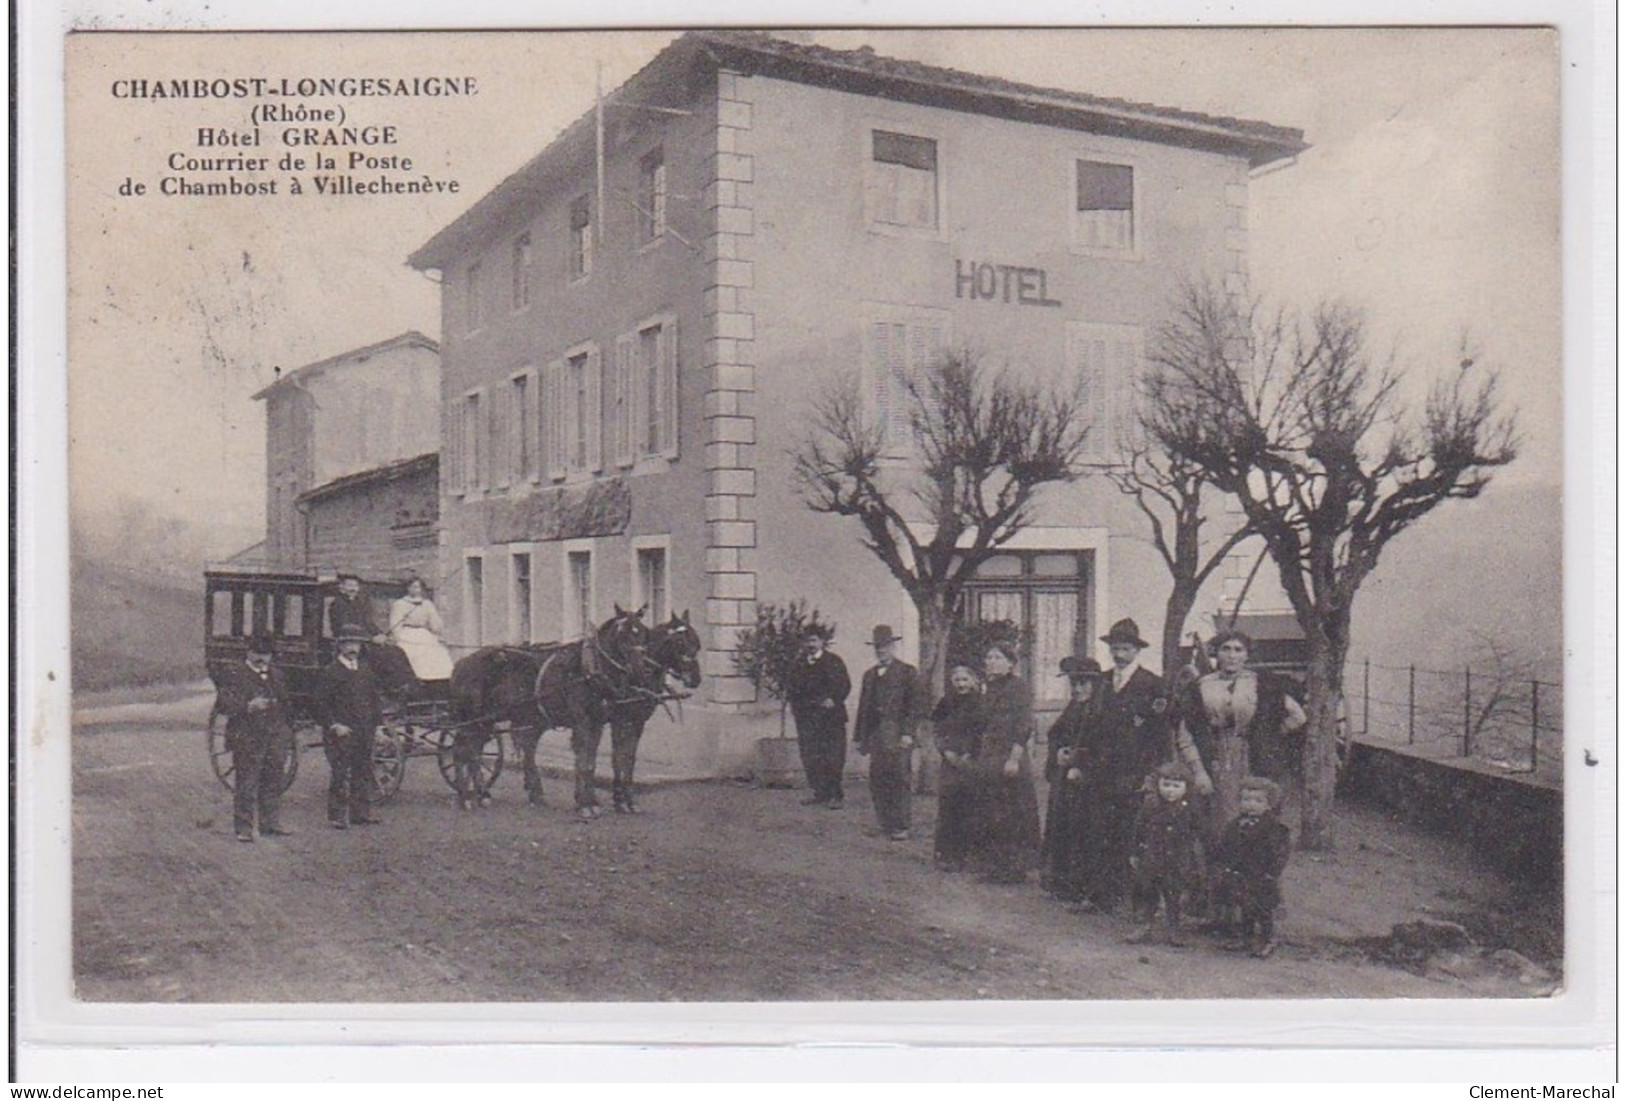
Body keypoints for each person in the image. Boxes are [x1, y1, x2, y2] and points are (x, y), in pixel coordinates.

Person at [1173, 629, 1308, 850]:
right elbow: (1186, 733)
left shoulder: (1262, 684)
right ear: (1216, 653)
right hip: (1215, 758)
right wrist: (1199, 771)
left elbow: (1299, 716)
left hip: (1253, 756)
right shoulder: (1200, 686)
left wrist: (1269, 735)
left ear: (1247, 655)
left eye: (1238, 650)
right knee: (1220, 818)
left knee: (1254, 813)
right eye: (1226, 649)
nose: (1232, 655)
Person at [1093, 618, 1173, 912]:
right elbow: (1092, 726)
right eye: (1115, 648)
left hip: (1135, 769)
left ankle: (1133, 896)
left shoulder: (1151, 684)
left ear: (1136, 651)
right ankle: (1105, 894)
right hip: (1103, 768)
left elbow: (1160, 732)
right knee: (1103, 829)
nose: (1119, 654)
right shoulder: (1102, 681)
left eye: (1125, 648)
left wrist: (1153, 773)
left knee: (1133, 831)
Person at [213, 632, 294, 842]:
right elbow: (223, 704)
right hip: (247, 736)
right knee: (247, 782)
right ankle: (244, 828)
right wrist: (247, 706)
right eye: (257, 653)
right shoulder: (233, 673)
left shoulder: (277, 674)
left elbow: (287, 704)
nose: (261, 658)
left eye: (266, 654)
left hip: (275, 736)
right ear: (248, 653)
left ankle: (270, 823)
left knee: (273, 779)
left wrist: (286, 732)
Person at [971, 640, 1041, 884]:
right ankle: (994, 865)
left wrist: (1014, 757)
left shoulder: (1019, 687)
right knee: (991, 809)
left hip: (1010, 755)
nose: (991, 662)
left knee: (1012, 811)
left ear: (1011, 664)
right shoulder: (987, 688)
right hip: (989, 755)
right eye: (989, 657)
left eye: (998, 657)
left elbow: (1024, 724)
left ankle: (1014, 868)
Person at [1039, 655, 1106, 905]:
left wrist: (1079, 760)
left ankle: (1082, 885)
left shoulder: (1102, 710)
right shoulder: (1074, 707)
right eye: (1074, 684)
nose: (1077, 689)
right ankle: (1062, 881)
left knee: (1084, 830)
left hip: (1090, 783)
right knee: (1062, 826)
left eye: (1083, 684)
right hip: (1065, 780)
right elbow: (1056, 733)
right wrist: (1059, 752)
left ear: (1095, 684)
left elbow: (1105, 746)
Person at [851, 625, 927, 841]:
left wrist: (908, 733)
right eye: (877, 647)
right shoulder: (869, 675)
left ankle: (901, 826)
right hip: (876, 736)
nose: (881, 650)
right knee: (878, 779)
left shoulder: (907, 672)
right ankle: (885, 823)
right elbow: (863, 708)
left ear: (893, 646)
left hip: (898, 734)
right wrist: (859, 737)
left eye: (885, 646)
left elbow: (915, 706)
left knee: (899, 778)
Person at [1212, 775, 1293, 958]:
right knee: (1244, 906)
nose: (1251, 804)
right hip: (1241, 873)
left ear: (1269, 804)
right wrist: (1223, 862)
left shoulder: (1273, 827)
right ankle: (1245, 938)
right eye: (1246, 799)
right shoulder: (1235, 824)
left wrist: (1272, 872)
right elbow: (1226, 845)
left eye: (1258, 801)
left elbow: (1280, 852)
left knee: (1263, 909)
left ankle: (1268, 939)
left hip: (1262, 874)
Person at [1126, 760, 1203, 946]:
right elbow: (1139, 829)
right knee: (1148, 891)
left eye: (1176, 786)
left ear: (1186, 788)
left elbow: (1198, 832)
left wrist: (1194, 858)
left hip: (1178, 859)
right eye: (1166, 785)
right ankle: (1144, 926)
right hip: (1153, 856)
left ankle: (1174, 928)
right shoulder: (1150, 805)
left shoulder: (1190, 808)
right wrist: (1135, 853)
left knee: (1173, 894)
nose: (1170, 790)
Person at [316, 628, 385, 829]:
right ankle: (336, 815)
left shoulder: (365, 669)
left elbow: (374, 700)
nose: (353, 648)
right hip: (342, 731)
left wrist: (378, 727)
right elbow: (321, 703)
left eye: (356, 644)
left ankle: (360, 814)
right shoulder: (331, 671)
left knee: (362, 770)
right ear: (340, 645)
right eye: (348, 644)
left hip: (364, 730)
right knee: (340, 772)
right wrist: (333, 724)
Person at [783, 627, 852, 809]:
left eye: (814, 640)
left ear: (822, 642)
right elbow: (792, 688)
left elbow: (844, 684)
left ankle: (835, 795)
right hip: (808, 719)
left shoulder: (834, 661)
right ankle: (819, 792)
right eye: (807, 641)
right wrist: (797, 708)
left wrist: (834, 699)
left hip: (831, 719)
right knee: (811, 756)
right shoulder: (798, 664)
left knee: (833, 756)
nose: (810, 645)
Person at [930, 663, 984, 871]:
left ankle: (968, 855)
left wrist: (970, 754)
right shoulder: (947, 702)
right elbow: (937, 729)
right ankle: (946, 854)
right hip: (950, 760)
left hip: (971, 760)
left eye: (965, 680)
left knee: (970, 806)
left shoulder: (980, 703)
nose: (961, 684)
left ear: (973, 681)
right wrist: (945, 751)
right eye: (957, 680)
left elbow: (982, 731)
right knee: (948, 807)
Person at [388, 576, 455, 683]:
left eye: (418, 587)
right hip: (407, 633)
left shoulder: (427, 604)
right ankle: (418, 679)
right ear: (407, 588)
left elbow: (434, 623)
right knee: (412, 654)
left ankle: (439, 680)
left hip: (423, 633)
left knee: (436, 652)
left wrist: (437, 630)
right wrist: (398, 638)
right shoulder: (400, 604)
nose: (416, 590)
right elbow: (395, 624)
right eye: (413, 587)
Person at [328, 573, 384, 642]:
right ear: (342, 587)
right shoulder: (337, 604)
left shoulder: (362, 604)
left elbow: (368, 623)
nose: (353, 589)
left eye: (355, 586)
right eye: (349, 585)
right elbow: (344, 627)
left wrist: (379, 634)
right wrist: (371, 638)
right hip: (346, 640)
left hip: (363, 639)